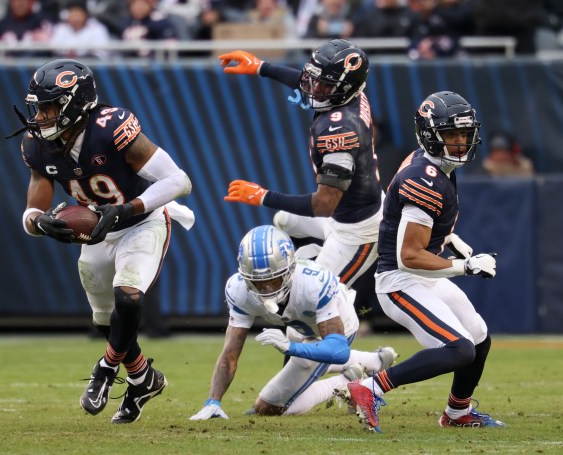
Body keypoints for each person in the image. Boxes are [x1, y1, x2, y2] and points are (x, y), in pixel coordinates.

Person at [8, 58, 194, 424]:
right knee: (105, 320)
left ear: (76, 104)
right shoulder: (37, 146)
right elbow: (32, 211)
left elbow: (178, 181)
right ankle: (144, 379)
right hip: (97, 231)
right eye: (38, 107)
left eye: (49, 106)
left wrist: (127, 209)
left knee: (129, 295)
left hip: (144, 221)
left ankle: (105, 370)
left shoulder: (110, 128)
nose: (41, 116)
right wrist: (41, 223)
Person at [336, 91, 506, 432]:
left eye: (463, 134)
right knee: (458, 349)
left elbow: (417, 226)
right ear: (430, 134)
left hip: (418, 276)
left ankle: (457, 413)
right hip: (400, 280)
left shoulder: (433, 164)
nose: (460, 142)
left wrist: (449, 240)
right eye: (451, 135)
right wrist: (464, 267)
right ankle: (368, 388)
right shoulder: (424, 178)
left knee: (478, 337)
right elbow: (409, 255)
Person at [220, 39, 384, 291]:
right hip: (348, 211)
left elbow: (323, 204)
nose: (314, 88)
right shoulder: (350, 93)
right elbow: (310, 82)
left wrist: (263, 196)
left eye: (325, 85)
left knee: (311, 300)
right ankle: (315, 255)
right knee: (285, 220)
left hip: (357, 231)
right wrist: (261, 67)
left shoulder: (339, 131)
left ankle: (326, 289)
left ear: (344, 87)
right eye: (314, 78)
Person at [189, 225, 397, 420]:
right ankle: (375, 361)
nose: (267, 290)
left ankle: (347, 383)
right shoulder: (238, 289)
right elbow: (230, 353)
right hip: (298, 325)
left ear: (289, 269)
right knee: (302, 366)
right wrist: (213, 401)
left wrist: (291, 348)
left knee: (266, 408)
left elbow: (338, 349)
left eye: (274, 280)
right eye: (258, 282)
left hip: (337, 328)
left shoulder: (314, 284)